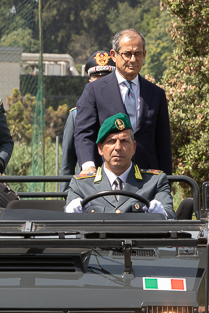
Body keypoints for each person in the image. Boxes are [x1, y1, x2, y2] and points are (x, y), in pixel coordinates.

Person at [74, 29, 172, 177]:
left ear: (144, 55)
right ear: (114, 55)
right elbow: (84, 133)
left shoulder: (156, 94)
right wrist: (88, 166)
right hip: (107, 177)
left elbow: (163, 143)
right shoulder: (94, 91)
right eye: (127, 54)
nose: (133, 59)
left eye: (138, 54)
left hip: (147, 179)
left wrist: (166, 181)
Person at [65, 112, 175, 218]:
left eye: (124, 141)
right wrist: (70, 216)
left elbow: (171, 216)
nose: (117, 147)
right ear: (100, 148)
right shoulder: (81, 185)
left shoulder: (154, 182)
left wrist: (162, 214)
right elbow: (66, 225)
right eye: (111, 141)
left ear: (134, 147)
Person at [60, 50, 115, 185]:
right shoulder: (76, 116)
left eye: (107, 81)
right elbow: (68, 164)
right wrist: (66, 194)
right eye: (98, 83)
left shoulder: (123, 113)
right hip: (88, 186)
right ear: (90, 83)